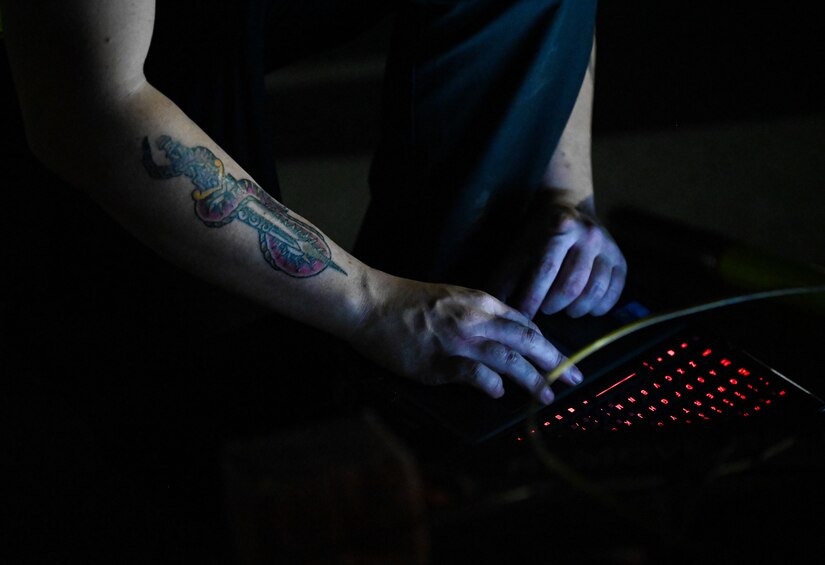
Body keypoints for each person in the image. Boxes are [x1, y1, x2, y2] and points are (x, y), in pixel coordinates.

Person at [1, 0, 625, 560]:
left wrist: (566, 194)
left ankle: (442, 389)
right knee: (218, 404)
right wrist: (369, 305)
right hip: (98, 46)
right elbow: (86, 109)